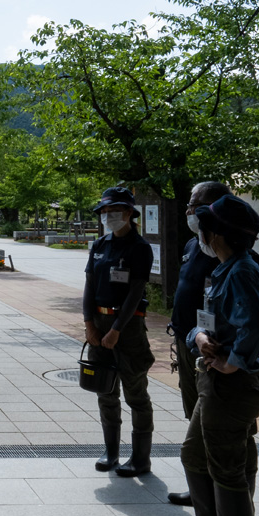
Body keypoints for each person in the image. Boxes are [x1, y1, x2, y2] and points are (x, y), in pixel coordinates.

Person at [171, 195, 259, 516]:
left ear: (219, 234)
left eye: (205, 225)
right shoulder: (226, 268)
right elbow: (205, 321)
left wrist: (233, 360)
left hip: (231, 387)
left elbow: (256, 327)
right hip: (212, 381)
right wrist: (197, 336)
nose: (201, 232)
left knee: (226, 469)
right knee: (194, 455)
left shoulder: (242, 270)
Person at [83, 187, 155, 476]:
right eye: (104, 212)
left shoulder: (140, 248)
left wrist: (116, 329)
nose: (108, 216)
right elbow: (89, 286)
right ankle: (111, 451)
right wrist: (89, 323)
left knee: (135, 393)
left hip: (128, 327)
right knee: (105, 390)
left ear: (129, 213)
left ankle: (140, 458)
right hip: (97, 327)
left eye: (115, 211)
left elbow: (135, 292)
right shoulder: (99, 245)